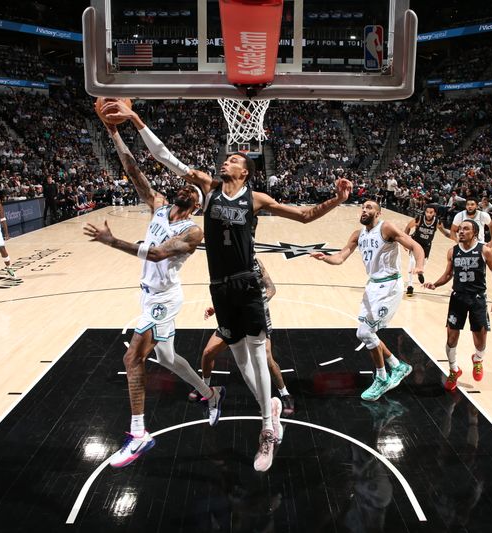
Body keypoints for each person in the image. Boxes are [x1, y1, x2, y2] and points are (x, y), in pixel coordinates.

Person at [104, 98, 351, 472]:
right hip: (218, 287)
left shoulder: (257, 199)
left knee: (256, 356)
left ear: (247, 172)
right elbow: (164, 156)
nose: (227, 160)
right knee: (239, 362)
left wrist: (337, 199)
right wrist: (136, 120)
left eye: (235, 160)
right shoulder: (209, 187)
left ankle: (267, 429)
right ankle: (269, 407)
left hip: (247, 282)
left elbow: (304, 215)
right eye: (227, 158)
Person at [84, 119, 225, 468]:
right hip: (148, 294)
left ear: (199, 204)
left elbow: (159, 252)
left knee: (132, 359)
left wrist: (111, 241)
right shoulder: (159, 205)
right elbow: (133, 171)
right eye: (187, 185)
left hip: (163, 299)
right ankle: (212, 393)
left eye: (195, 191)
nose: (188, 189)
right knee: (165, 359)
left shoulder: (193, 231)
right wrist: (114, 132)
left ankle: (138, 435)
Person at [310, 199, 425, 401]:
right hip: (372, 285)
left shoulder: (386, 228)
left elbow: (416, 246)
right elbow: (340, 257)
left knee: (365, 332)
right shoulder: (358, 235)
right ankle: (398, 367)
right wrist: (325, 257)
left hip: (389, 285)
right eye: (362, 207)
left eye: (369, 207)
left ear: (378, 213)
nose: (364, 210)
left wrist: (420, 267)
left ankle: (382, 378)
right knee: (364, 334)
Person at [192, 257, 295, 416]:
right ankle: (205, 389)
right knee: (207, 353)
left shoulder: (255, 263)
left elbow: (271, 289)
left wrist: (253, 305)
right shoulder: (225, 265)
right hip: (232, 318)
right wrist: (217, 309)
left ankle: (285, 394)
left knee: (267, 357)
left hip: (254, 315)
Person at [424, 220, 492, 392]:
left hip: (477, 300)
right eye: (459, 229)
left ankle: (478, 358)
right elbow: (448, 274)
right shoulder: (453, 251)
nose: (460, 231)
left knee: (480, 339)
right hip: (457, 299)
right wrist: (435, 284)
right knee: (451, 338)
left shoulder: (485, 250)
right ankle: (454, 370)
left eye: (465, 229)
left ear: (475, 233)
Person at [403, 204, 450, 296]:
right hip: (415, 243)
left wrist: (456, 238)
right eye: (427, 212)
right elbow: (408, 227)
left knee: (422, 265)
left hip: (426, 246)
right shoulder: (419, 219)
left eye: (431, 212)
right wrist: (405, 241)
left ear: (435, 213)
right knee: (412, 262)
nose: (428, 214)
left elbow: (445, 233)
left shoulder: (437, 222)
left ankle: (420, 273)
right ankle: (410, 285)